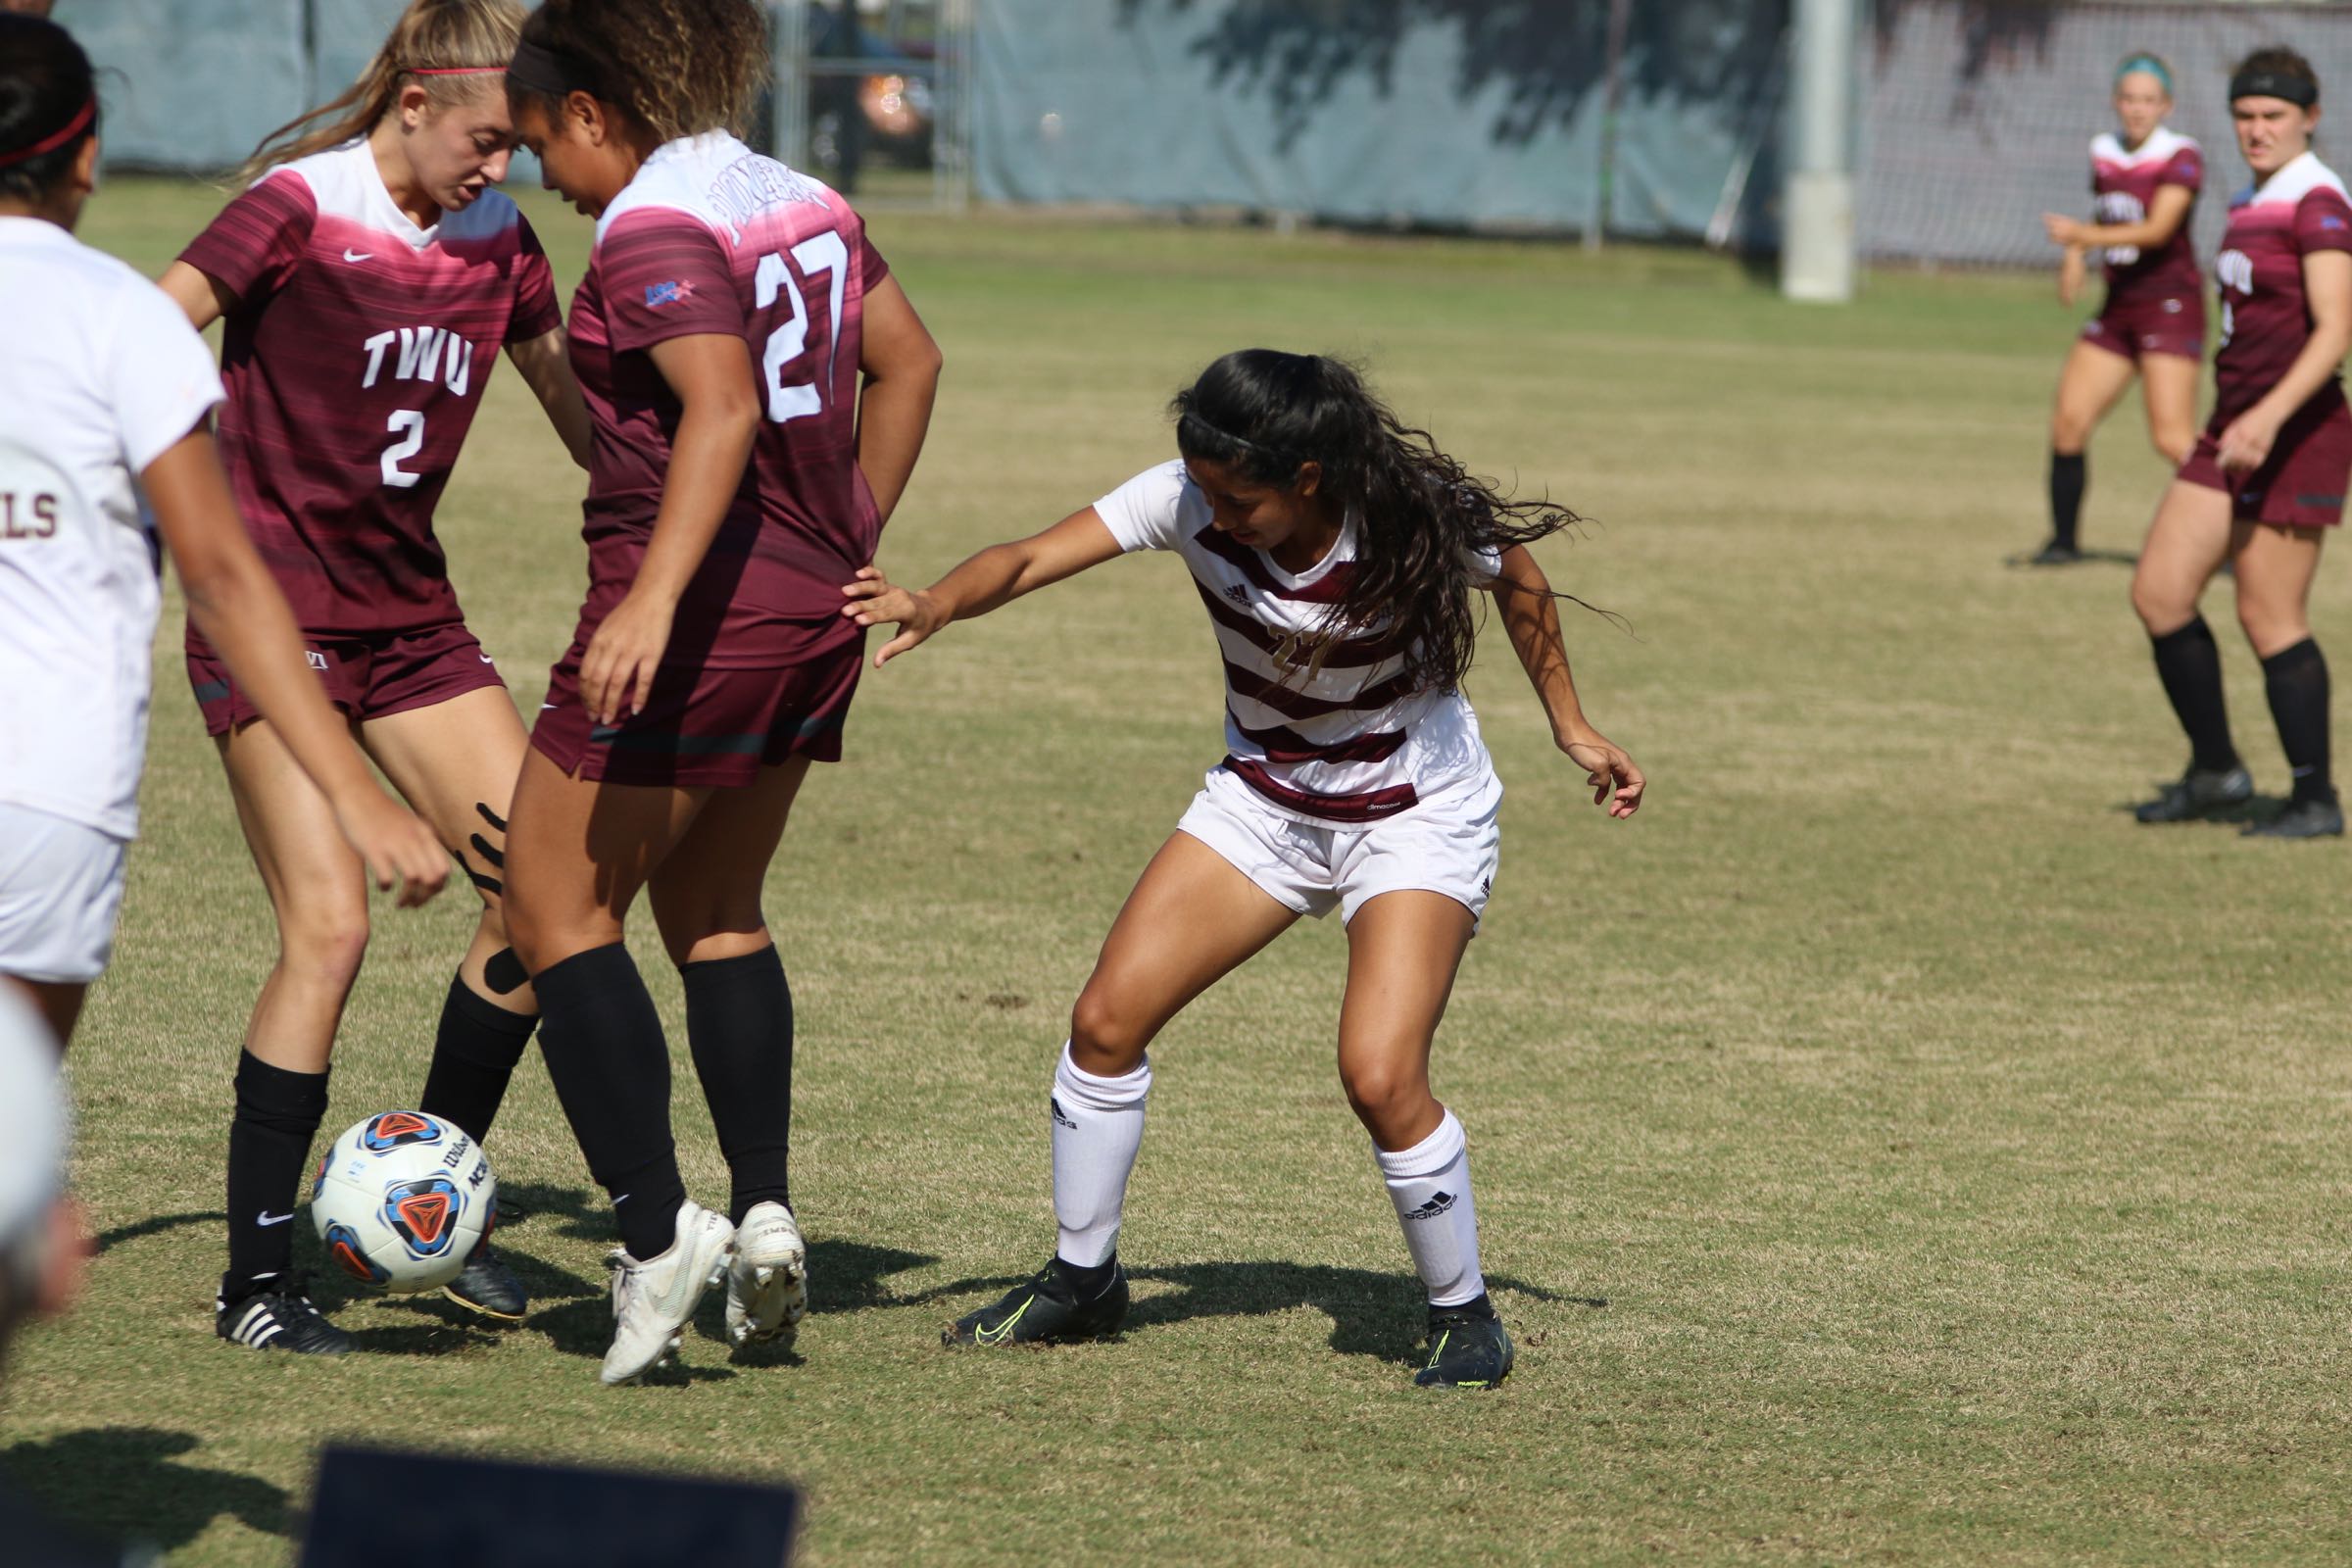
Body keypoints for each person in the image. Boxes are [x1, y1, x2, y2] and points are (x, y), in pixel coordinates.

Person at [844, 350, 1645, 1390]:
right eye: (1205, 491)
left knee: (1379, 1072)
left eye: (1240, 499)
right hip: (1264, 805)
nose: (1214, 516)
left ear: (1309, 478)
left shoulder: (1406, 515)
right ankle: (1084, 1280)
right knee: (1104, 1024)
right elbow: (1034, 557)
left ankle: (1465, 1316)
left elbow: (1520, 575)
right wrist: (941, 601)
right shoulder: (1185, 494)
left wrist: (1571, 726)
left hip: (1412, 815)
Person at [497, 0, 942, 1385]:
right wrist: (849, 535)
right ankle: (760, 1216)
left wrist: (651, 600)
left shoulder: (649, 223)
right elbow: (912, 361)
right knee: (716, 915)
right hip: (808, 614)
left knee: (550, 905)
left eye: (537, 147)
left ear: (587, 109)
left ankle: (651, 1230)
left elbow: (724, 408)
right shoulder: (793, 189)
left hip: (703, 625)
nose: (543, 182)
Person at [155, 0, 592, 1352]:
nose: (500, 167)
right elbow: (149, 331)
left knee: (544, 893)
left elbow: (582, 414)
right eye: (482, 139)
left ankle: (425, 1207)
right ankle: (257, 1287)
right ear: (413, 103)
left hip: (411, 629)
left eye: (516, 145)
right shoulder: (296, 209)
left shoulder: (499, 242)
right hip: (267, 626)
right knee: (330, 928)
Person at [0, 15, 447, 1059]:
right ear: (90, 155)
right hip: (50, 781)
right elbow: (223, 578)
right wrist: (357, 799)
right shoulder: (124, 320)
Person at [2129, 48, 2352, 840]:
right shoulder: (2251, 195)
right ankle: (2217, 769)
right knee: (2158, 592)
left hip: (2298, 429)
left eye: (2274, 117)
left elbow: (2336, 330)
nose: (2257, 130)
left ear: (2310, 117)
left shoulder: (2318, 202)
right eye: (2246, 116)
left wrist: (2269, 414)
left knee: (2268, 613)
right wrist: (2236, 413)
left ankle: (2315, 798)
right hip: (2235, 427)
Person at [2033, 54, 2205, 565]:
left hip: (2170, 307)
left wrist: (2083, 238)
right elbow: (2106, 214)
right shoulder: (2104, 151)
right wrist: (2074, 255)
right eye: (2129, 98)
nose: (2137, 109)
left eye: (2148, 100)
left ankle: (2242, 531)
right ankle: (2064, 543)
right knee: (2069, 422)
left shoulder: (2181, 155)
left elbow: (2155, 230)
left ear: (2166, 106)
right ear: (2116, 101)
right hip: (2118, 309)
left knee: (2173, 439)